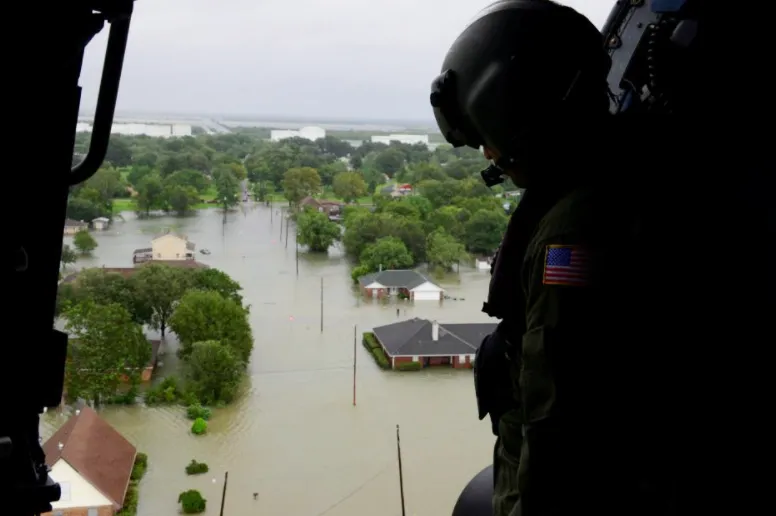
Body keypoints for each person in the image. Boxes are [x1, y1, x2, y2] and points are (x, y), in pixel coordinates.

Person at [431, 1, 666, 515]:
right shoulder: (619, 173)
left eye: (487, 138)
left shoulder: (577, 231)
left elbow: (560, 419)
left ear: (518, 115)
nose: (488, 155)